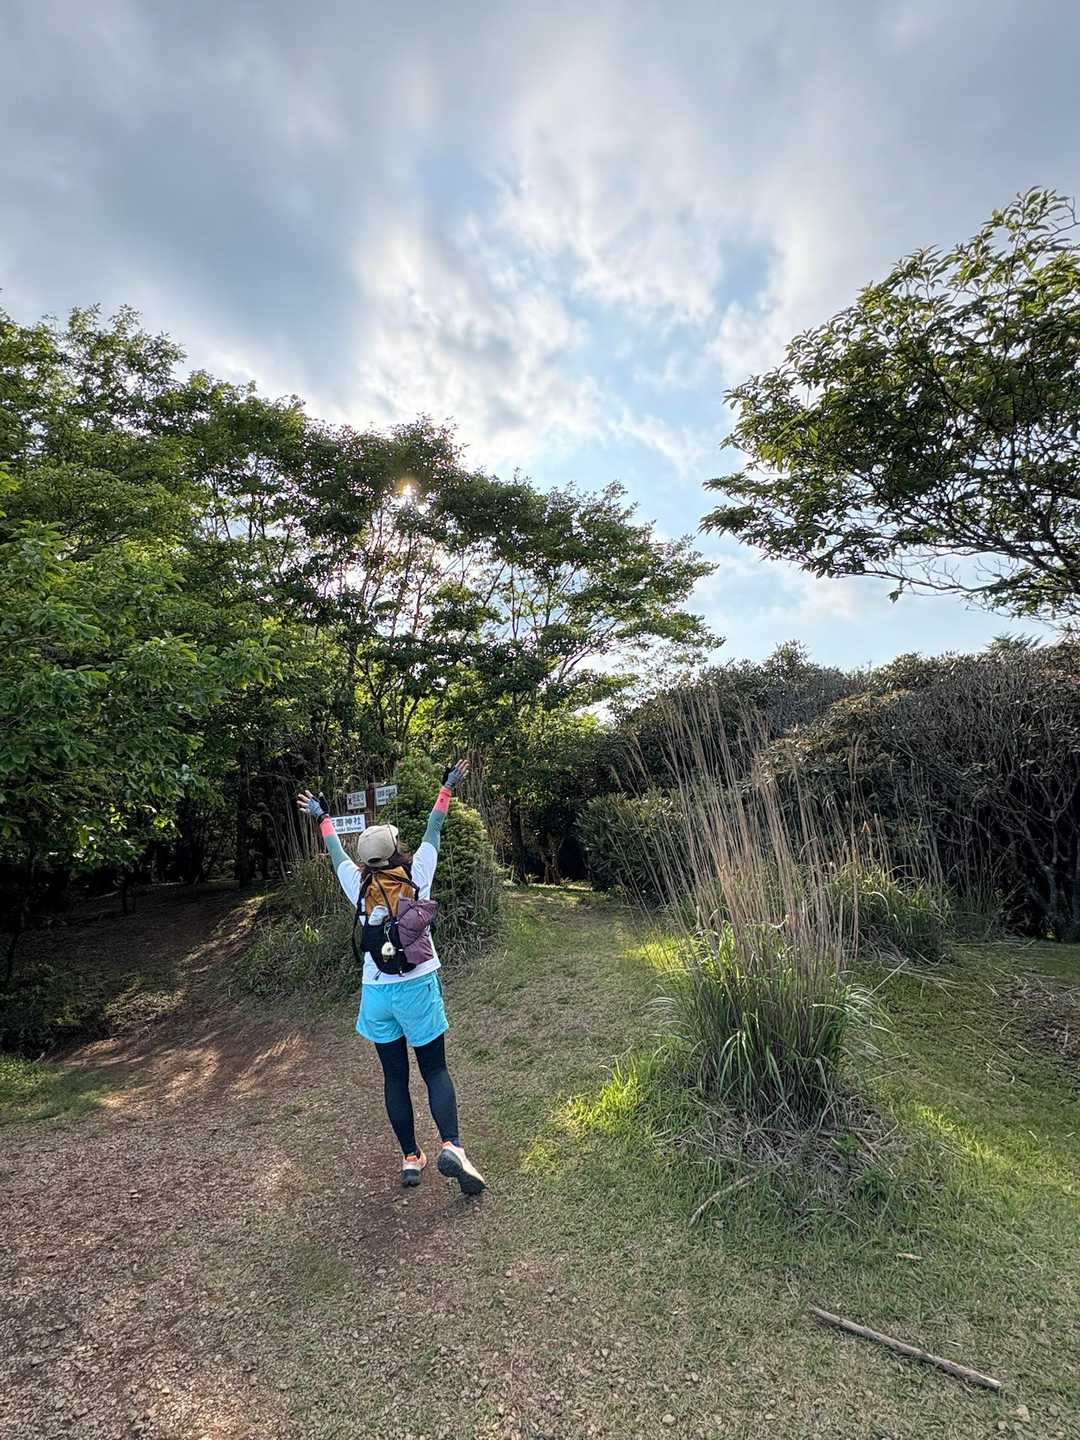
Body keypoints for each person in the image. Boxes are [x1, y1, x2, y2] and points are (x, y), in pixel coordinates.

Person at [296, 763, 486, 1196]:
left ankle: (410, 1158)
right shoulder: (418, 873)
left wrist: (322, 816)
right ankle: (452, 1146)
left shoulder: (356, 883)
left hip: (377, 993)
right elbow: (434, 828)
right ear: (396, 848)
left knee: (394, 1077)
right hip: (418, 986)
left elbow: (335, 851)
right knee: (435, 1069)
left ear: (366, 859)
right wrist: (447, 786)